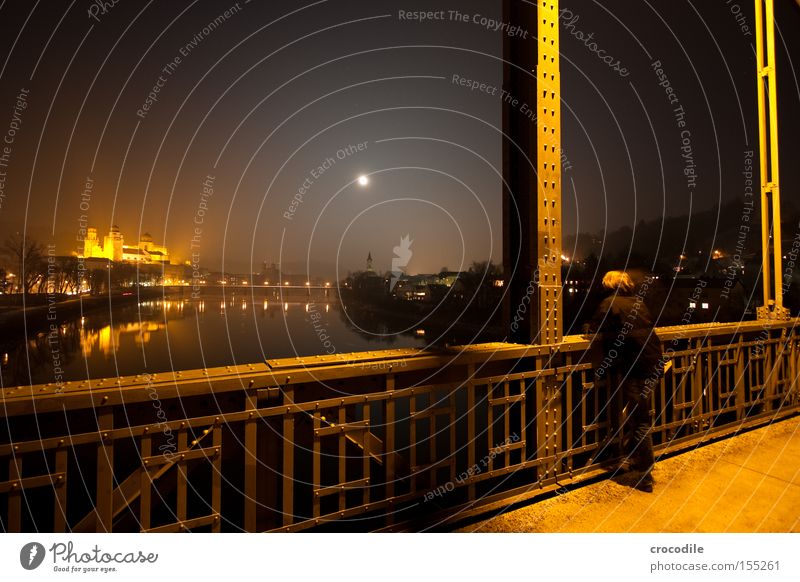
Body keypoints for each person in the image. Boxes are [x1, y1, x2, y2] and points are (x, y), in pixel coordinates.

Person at [583, 270, 663, 492]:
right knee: (640, 415)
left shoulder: (609, 304)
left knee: (639, 421)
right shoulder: (639, 302)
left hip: (636, 367)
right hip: (654, 362)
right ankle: (635, 458)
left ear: (608, 285)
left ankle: (645, 475)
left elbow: (596, 327)